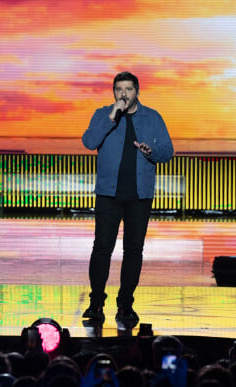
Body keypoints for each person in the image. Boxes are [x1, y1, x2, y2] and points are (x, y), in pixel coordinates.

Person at [81, 71, 174, 326]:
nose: (123, 94)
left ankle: (125, 304)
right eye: (118, 89)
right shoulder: (103, 114)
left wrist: (151, 151)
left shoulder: (152, 117)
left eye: (128, 90)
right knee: (102, 248)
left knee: (133, 251)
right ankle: (96, 302)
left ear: (137, 92)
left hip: (139, 196)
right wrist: (111, 117)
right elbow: (89, 142)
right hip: (108, 195)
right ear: (113, 92)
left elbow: (168, 151)